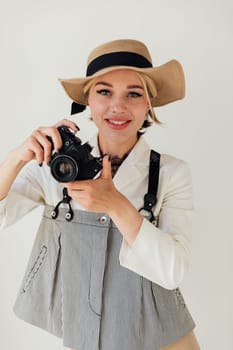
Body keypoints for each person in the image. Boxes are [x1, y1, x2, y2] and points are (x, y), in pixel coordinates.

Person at [0, 39, 200, 350]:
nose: (118, 107)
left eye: (134, 94)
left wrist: (117, 205)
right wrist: (15, 158)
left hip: (160, 339)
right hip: (81, 333)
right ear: (88, 102)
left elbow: (173, 271)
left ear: (149, 102)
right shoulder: (55, 165)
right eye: (104, 92)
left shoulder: (171, 173)